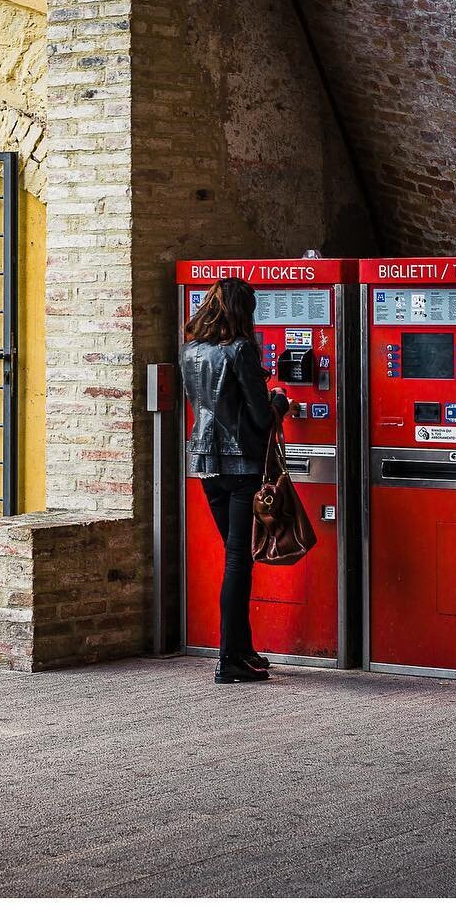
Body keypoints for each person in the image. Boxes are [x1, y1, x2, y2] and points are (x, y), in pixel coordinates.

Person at [179, 277, 290, 684]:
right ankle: (230, 660)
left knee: (234, 557)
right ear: (243, 311)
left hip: (207, 465)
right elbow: (261, 418)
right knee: (238, 562)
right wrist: (280, 400)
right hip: (242, 466)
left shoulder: (190, 350)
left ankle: (243, 650)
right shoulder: (240, 349)